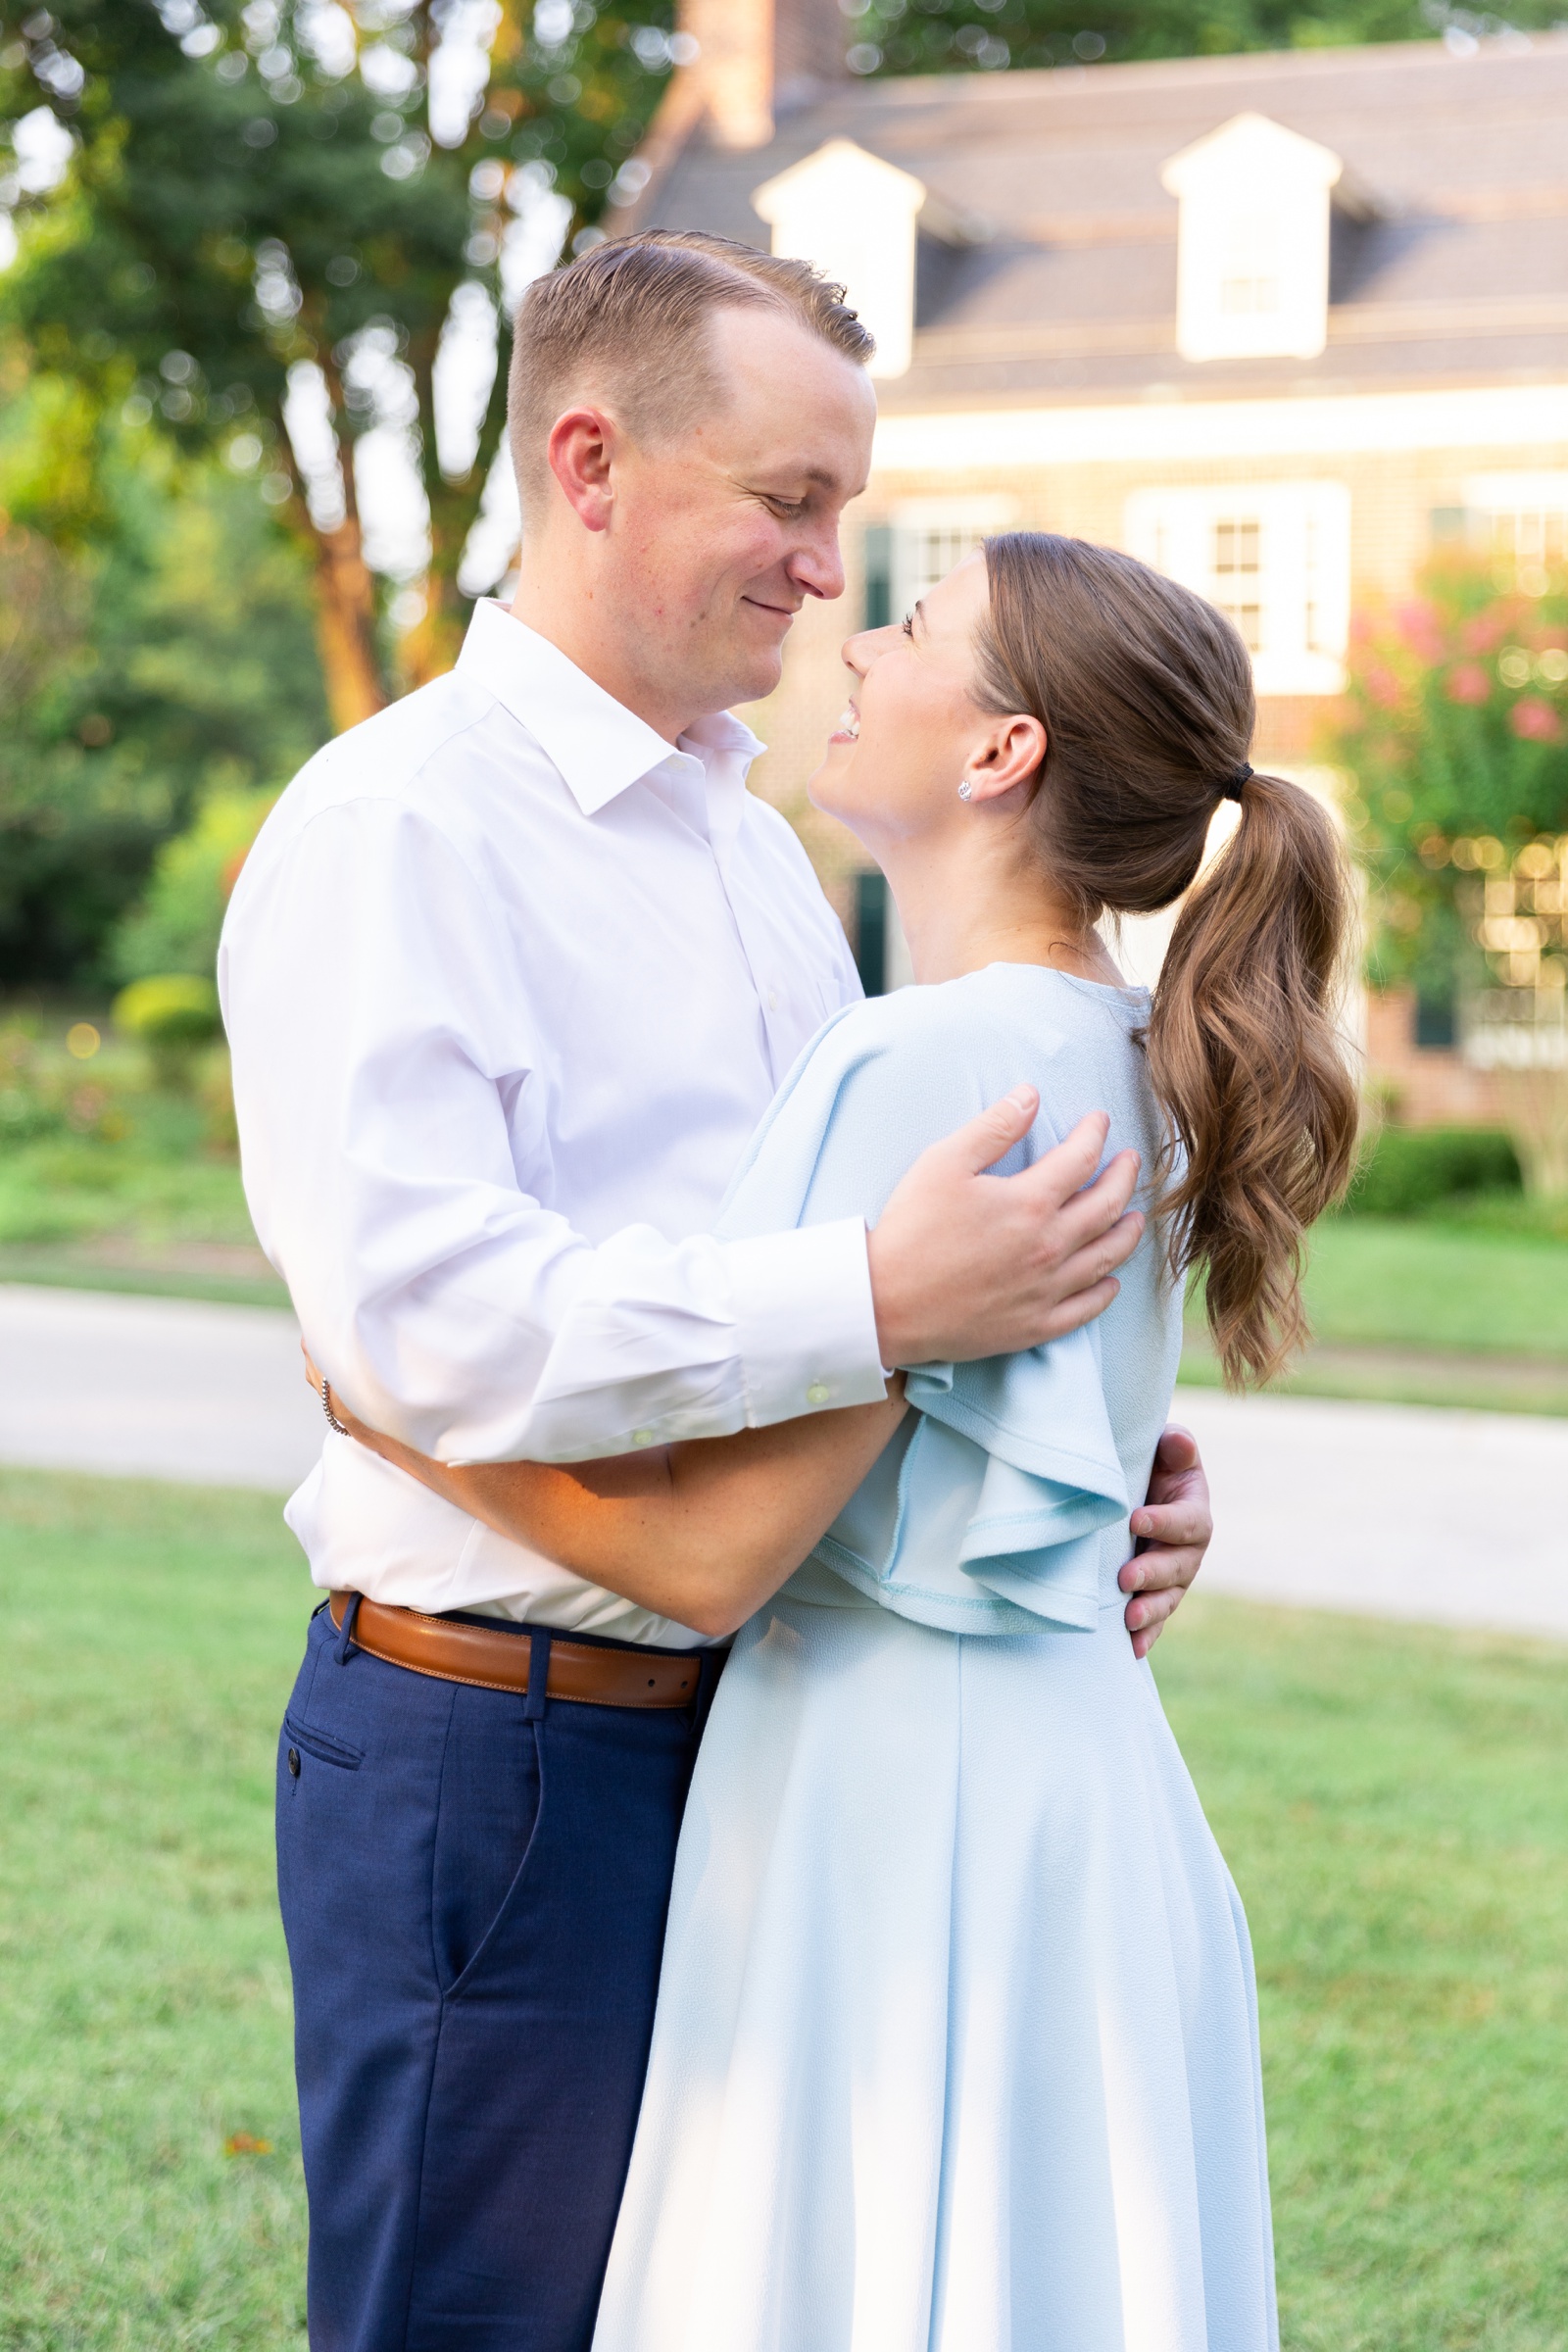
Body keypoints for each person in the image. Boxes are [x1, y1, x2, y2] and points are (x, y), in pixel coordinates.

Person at [220, 232, 1213, 2352]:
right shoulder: (397, 832)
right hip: (507, 1758)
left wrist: (1058, 1459)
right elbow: (441, 1331)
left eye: (845, 511)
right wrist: (874, 1303)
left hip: (772, 1757)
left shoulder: (762, 858)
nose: (824, 568)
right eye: (787, 502)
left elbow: (872, 1302)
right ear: (591, 465)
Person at [326, 531, 1358, 2351]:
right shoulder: (1139, 1053)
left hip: (895, 1805)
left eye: (916, 622)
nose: (856, 643)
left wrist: (392, 1411)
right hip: (1086, 1796)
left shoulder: (914, 1064)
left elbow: (719, 1553)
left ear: (1000, 752)